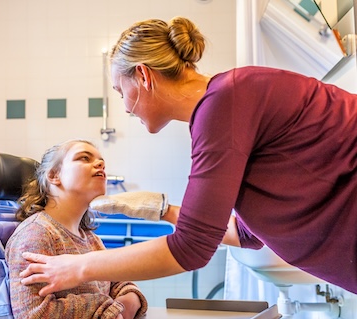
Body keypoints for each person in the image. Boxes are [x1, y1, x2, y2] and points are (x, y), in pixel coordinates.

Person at [18, 17, 357, 295]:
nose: (124, 106)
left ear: (143, 76)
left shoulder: (225, 103)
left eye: (121, 91)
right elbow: (248, 234)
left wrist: (75, 267)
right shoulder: (225, 102)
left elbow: (192, 247)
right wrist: (163, 210)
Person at [5, 139, 148, 319]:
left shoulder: (90, 239)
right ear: (54, 175)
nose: (100, 164)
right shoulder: (36, 233)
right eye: (84, 158)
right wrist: (105, 307)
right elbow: (34, 314)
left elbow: (118, 283)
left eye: (101, 161)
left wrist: (130, 298)